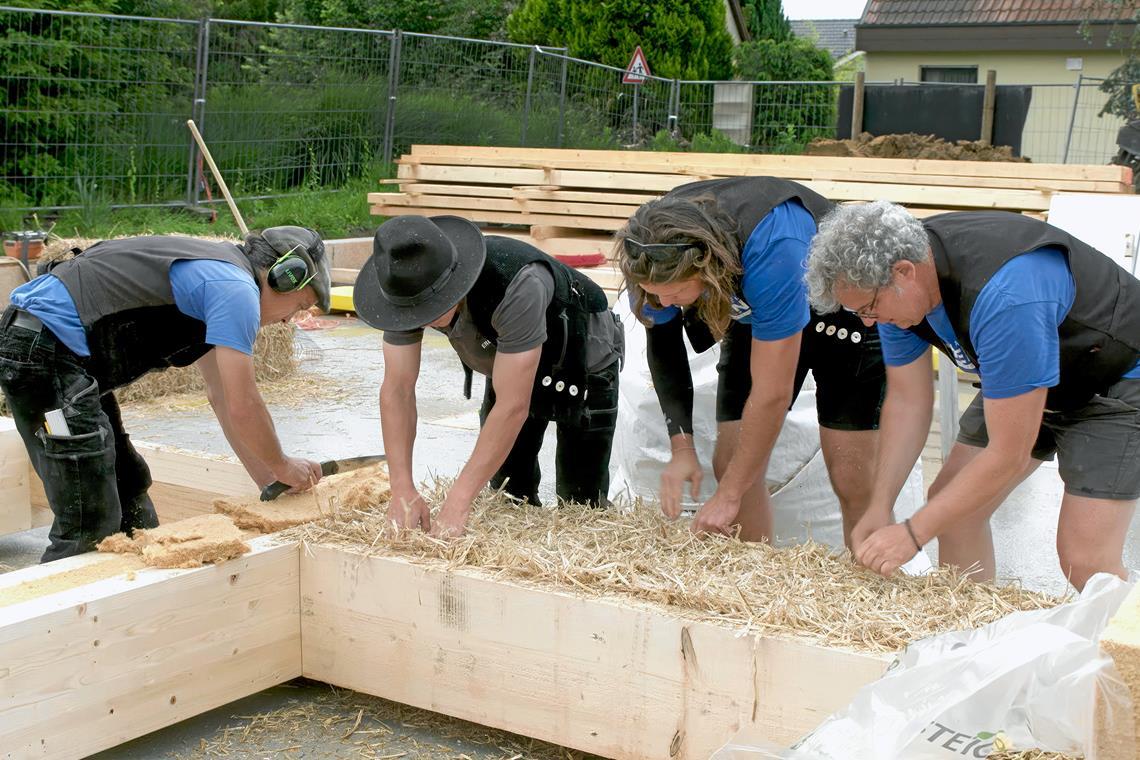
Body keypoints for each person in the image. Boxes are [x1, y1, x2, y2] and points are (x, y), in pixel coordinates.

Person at [805, 201, 1140, 590]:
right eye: (858, 312)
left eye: (870, 307)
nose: (867, 322)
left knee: (1086, 560)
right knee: (954, 509)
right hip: (1028, 372)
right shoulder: (894, 290)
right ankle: (973, 626)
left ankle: (1122, 631)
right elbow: (908, 402)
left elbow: (1008, 456)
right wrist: (880, 507)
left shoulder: (1004, 293)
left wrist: (912, 534)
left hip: (1115, 377)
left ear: (904, 272)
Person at [0, 226, 332, 562]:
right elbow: (244, 405)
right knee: (89, 515)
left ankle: (138, 583)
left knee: (128, 484)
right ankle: (64, 591)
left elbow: (223, 399)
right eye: (300, 305)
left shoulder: (221, 281)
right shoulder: (236, 291)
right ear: (282, 277)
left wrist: (271, 481)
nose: (289, 321)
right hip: (40, 354)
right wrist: (282, 463)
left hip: (63, 357)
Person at [616, 177, 886, 543]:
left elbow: (772, 392)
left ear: (707, 266)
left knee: (851, 474)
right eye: (655, 294)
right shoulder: (648, 251)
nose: (665, 303)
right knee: (730, 460)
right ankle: (753, 571)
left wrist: (727, 495)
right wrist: (682, 447)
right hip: (757, 308)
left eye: (676, 293)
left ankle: (869, 572)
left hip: (842, 310)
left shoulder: (774, 247)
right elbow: (664, 344)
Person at [354, 215, 624, 537]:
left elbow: (512, 406)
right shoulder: (405, 286)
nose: (421, 320)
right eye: (413, 313)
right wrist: (402, 489)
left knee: (581, 505)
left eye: (430, 309)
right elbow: (397, 389)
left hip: (583, 360)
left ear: (455, 282)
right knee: (509, 495)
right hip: (508, 360)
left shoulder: (515, 283)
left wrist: (458, 500)